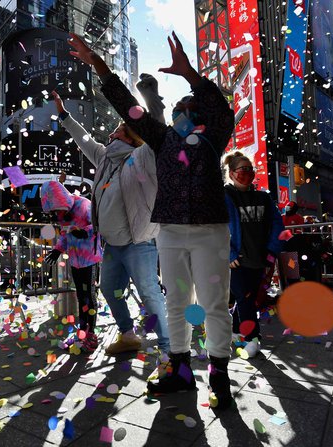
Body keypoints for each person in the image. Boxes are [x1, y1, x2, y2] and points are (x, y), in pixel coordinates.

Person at [68, 31, 235, 408]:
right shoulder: (161, 140)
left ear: (202, 117)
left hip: (210, 231)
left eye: (190, 109)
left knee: (213, 304)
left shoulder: (215, 138)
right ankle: (180, 369)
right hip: (171, 233)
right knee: (176, 302)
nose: (182, 114)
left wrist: (190, 74)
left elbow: (223, 110)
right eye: (180, 109)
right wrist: (97, 63)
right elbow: (126, 105)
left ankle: (219, 376)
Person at [51, 74, 170, 356]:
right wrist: (64, 116)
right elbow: (84, 139)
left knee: (149, 294)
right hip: (112, 246)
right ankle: (128, 334)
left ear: (129, 137)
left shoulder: (143, 157)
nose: (111, 134)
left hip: (138, 243)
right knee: (109, 289)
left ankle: (169, 350)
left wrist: (151, 97)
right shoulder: (104, 157)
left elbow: (159, 132)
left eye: (117, 131)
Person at [223, 151, 284, 358]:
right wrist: (228, 254)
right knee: (246, 298)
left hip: (259, 258)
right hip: (236, 261)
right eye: (243, 169)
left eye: (250, 169)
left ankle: (235, 330)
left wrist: (272, 251)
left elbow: (277, 225)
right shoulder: (225, 196)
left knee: (246, 298)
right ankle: (253, 338)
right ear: (231, 173)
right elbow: (217, 228)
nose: (247, 173)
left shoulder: (263, 197)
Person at [41, 180, 103, 352]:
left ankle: (91, 334)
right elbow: (64, 235)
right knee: (81, 296)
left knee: (89, 296)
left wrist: (85, 231)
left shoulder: (84, 205)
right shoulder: (62, 215)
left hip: (89, 259)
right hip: (75, 261)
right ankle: (82, 331)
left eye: (56, 211)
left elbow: (98, 225)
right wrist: (57, 250)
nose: (56, 215)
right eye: (52, 213)